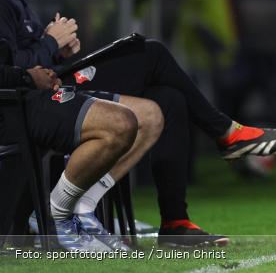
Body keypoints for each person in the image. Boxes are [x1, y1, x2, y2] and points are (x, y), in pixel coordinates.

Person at [0, 0, 276, 246]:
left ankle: (174, 222)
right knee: (151, 53)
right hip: (45, 99)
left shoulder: (19, 3)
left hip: (58, 86)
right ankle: (226, 133)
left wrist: (56, 49)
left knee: (169, 99)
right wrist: (51, 45)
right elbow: (12, 69)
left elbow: (28, 60)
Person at [0, 38, 163, 252]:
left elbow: (19, 54)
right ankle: (58, 213)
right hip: (15, 102)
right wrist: (29, 72)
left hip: (37, 90)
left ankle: (82, 206)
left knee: (150, 115)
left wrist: (48, 56)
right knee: (120, 123)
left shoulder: (16, 5)